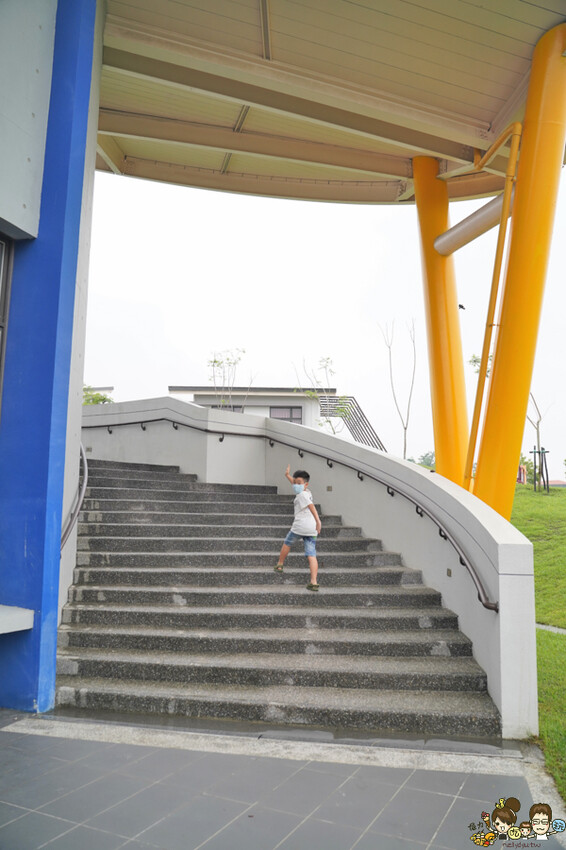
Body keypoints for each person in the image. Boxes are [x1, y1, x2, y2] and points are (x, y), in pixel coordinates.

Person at [274, 465, 322, 591]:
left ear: (305, 484)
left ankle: (280, 564)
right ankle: (314, 582)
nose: (295, 485)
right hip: (311, 529)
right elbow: (296, 483)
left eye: (298, 483)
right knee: (311, 554)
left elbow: (312, 506)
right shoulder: (306, 492)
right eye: (295, 482)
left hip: (300, 526)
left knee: (287, 542)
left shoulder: (302, 496)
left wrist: (319, 521)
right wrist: (287, 476)